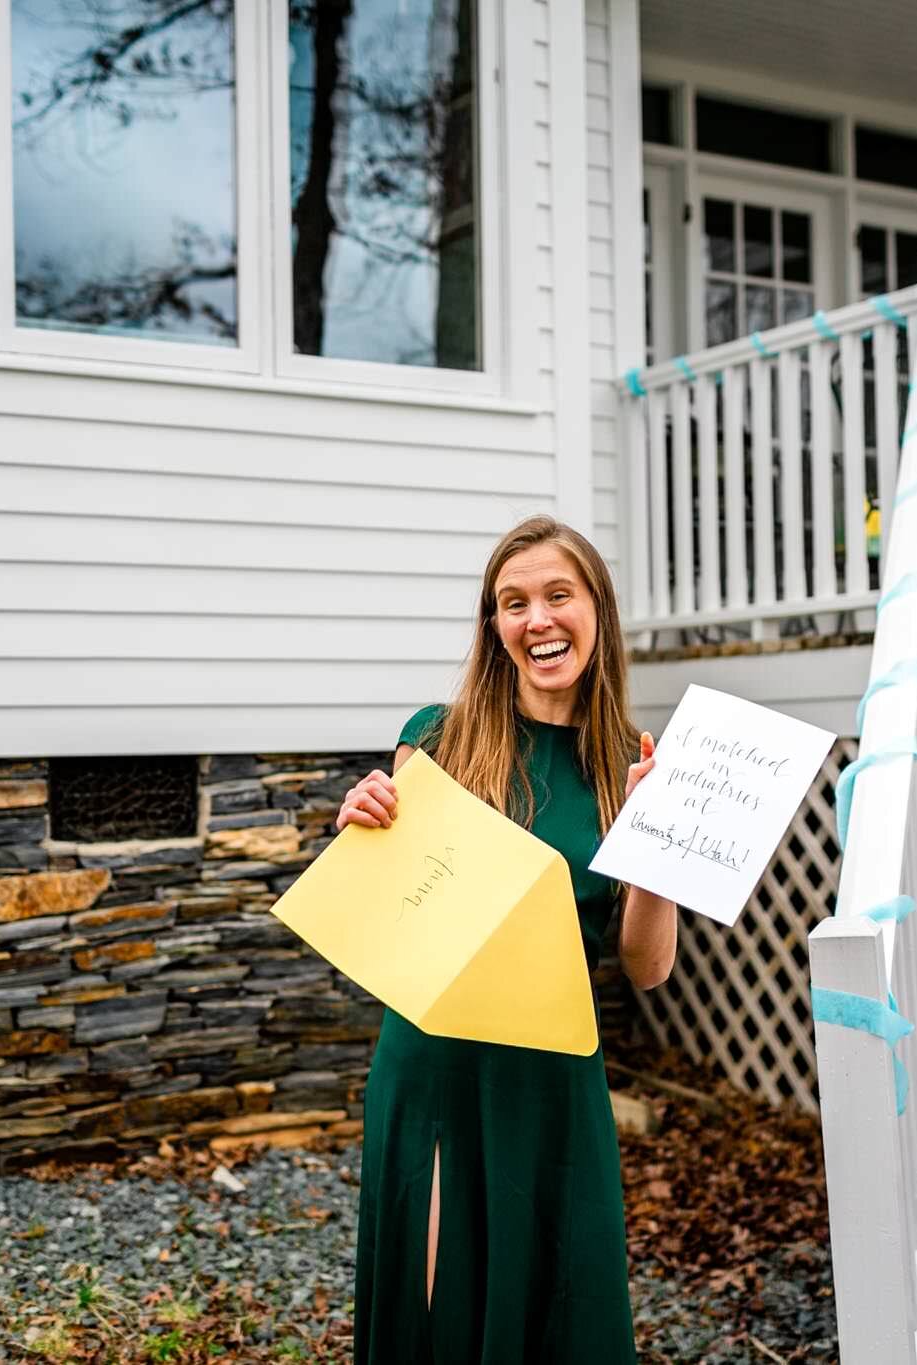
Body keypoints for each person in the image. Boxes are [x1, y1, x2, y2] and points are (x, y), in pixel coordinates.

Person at [334, 515, 678, 1364]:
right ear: (495, 627)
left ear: (596, 608)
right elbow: (385, 909)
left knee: (557, 1306)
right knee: (433, 1310)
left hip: (553, 1070)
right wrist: (356, 826)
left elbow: (648, 964)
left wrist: (656, 845)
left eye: (559, 594)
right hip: (436, 1061)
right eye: (513, 602)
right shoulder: (438, 739)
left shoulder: (628, 768)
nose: (538, 619)